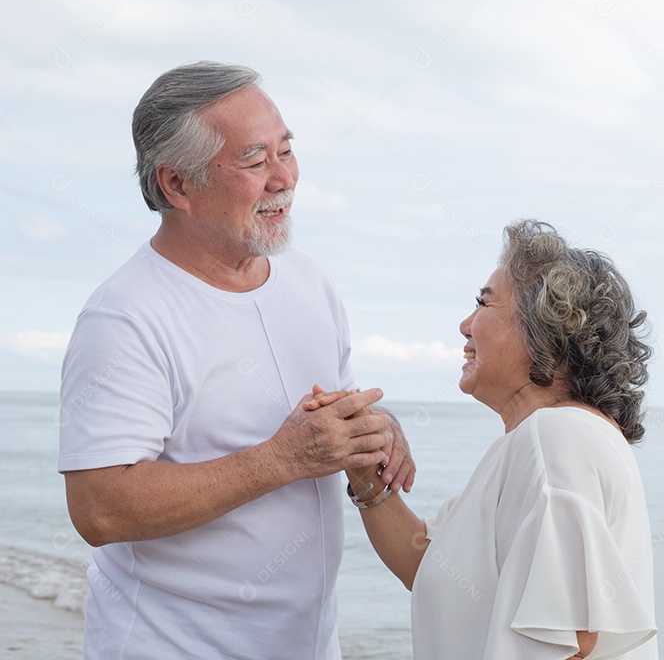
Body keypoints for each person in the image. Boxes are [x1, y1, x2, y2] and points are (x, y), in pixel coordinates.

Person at [57, 61, 415, 660]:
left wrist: (372, 433)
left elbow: (331, 419)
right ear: (176, 185)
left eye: (286, 150)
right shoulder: (124, 318)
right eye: (255, 161)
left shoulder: (310, 280)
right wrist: (282, 458)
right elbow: (99, 508)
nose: (284, 179)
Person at [315, 219, 659, 659]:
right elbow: (427, 565)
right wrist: (364, 468)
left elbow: (571, 640)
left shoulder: (555, 438)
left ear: (546, 328)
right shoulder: (543, 440)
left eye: (483, 303)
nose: (464, 325)